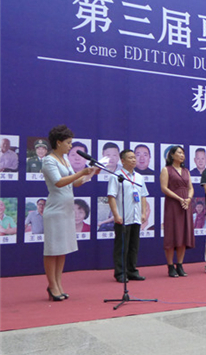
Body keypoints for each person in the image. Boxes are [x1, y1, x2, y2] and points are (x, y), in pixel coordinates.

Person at [41, 125, 98, 301]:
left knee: (62, 249)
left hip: (66, 210)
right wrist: (81, 172)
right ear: (58, 142)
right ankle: (52, 285)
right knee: (52, 249)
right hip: (55, 210)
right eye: (68, 143)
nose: (70, 146)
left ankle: (58, 284)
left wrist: (90, 174)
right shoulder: (49, 160)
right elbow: (58, 182)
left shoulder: (65, 159)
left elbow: (75, 183)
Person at [108, 149, 149, 283]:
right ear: (122, 161)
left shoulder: (139, 177)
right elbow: (111, 197)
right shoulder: (116, 176)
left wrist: (143, 213)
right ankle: (120, 273)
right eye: (130, 158)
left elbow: (143, 196)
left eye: (134, 157)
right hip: (123, 217)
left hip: (136, 217)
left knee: (133, 246)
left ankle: (132, 271)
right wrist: (116, 215)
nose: (134, 160)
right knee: (122, 247)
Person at [160, 145, 194, 278]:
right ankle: (170, 266)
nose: (182, 155)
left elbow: (190, 187)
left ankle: (179, 265)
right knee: (172, 234)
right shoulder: (166, 170)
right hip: (173, 204)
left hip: (185, 205)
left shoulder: (186, 171)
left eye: (183, 153)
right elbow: (164, 188)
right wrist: (179, 198)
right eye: (179, 153)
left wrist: (188, 199)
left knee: (183, 235)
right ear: (172, 155)